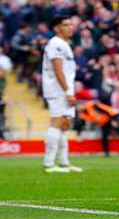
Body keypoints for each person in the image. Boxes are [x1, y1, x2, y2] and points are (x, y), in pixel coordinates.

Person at [42, 15, 82, 173]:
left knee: (65, 125)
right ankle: (49, 163)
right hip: (57, 90)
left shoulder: (65, 44)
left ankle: (64, 162)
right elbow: (58, 70)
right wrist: (66, 91)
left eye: (71, 25)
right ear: (56, 28)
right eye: (66, 25)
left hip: (65, 89)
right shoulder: (55, 44)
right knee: (57, 122)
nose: (70, 28)